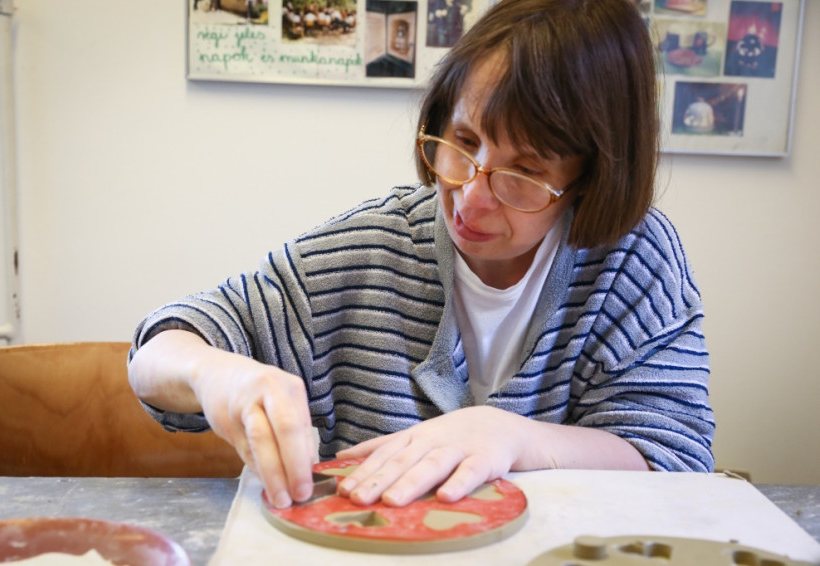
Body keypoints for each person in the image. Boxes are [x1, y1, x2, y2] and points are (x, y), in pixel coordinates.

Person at [128, 0, 715, 511]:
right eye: (463, 141)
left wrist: (515, 438)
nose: (470, 197)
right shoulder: (367, 249)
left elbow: (675, 456)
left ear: (589, 179)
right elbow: (158, 350)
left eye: (523, 171)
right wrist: (217, 376)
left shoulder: (634, 263)